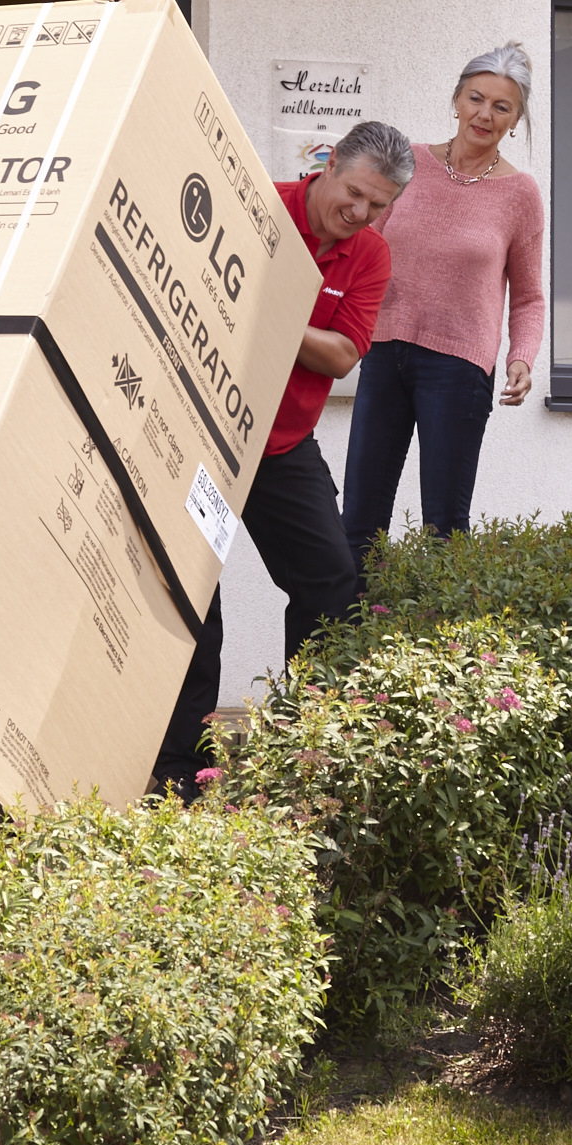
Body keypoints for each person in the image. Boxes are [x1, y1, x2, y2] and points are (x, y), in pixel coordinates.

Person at [152, 124, 409, 794]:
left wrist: (274, 316)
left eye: (376, 206)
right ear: (328, 168)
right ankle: (179, 767)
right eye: (354, 194)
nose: (359, 213)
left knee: (332, 584)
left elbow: (345, 353)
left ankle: (311, 750)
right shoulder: (257, 210)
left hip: (282, 446)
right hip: (203, 443)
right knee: (195, 601)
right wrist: (300, 330)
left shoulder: (371, 256)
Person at [339, 44, 546, 554]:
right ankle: (352, 631)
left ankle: (441, 636)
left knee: (444, 531)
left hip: (458, 369)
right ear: (456, 99)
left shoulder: (520, 194)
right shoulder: (408, 165)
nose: (485, 114)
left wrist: (521, 356)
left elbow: (529, 297)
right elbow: (362, 248)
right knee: (359, 522)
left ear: (516, 119)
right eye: (477, 98)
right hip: (384, 353)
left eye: (502, 106)